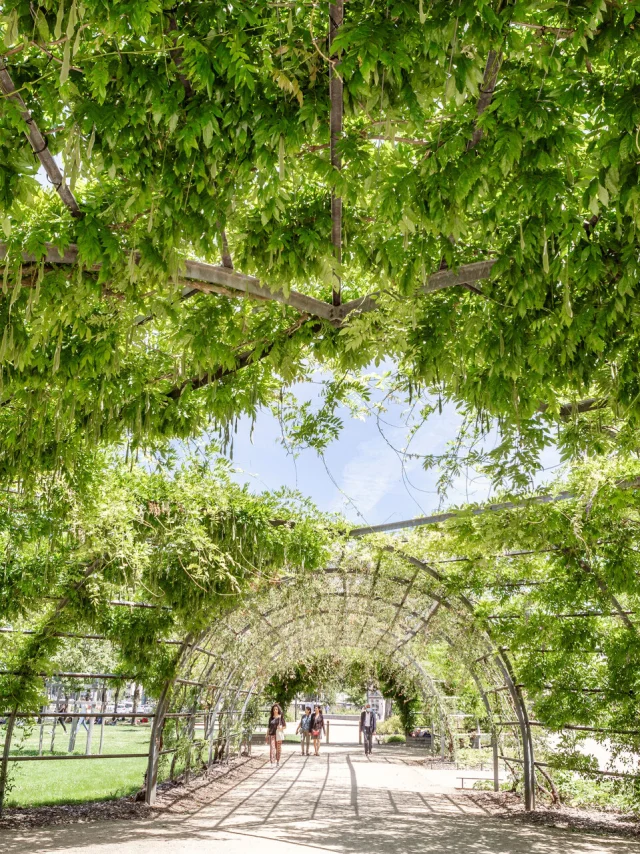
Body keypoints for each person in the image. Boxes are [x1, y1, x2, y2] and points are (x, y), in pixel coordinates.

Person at [265, 702, 286, 767]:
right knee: (272, 748)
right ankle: (272, 762)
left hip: (278, 735)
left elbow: (285, 726)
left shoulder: (280, 717)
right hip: (272, 734)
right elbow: (269, 727)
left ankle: (278, 761)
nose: (275, 710)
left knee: (278, 748)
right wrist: (266, 734)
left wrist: (281, 727)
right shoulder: (270, 718)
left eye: (276, 709)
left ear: (278, 710)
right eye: (274, 709)